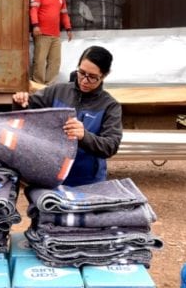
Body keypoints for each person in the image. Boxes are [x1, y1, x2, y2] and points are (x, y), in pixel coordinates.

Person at [12, 45, 122, 187]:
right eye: (81, 73)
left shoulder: (110, 106)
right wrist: (20, 102)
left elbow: (110, 146)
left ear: (104, 76)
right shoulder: (57, 91)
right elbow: (26, 115)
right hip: (52, 177)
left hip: (88, 182)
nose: (84, 81)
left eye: (93, 77)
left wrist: (84, 136)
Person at [29, 0, 73, 85]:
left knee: (55, 61)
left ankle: (50, 86)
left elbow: (64, 14)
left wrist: (68, 28)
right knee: (39, 61)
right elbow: (33, 10)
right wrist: (35, 25)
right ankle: (38, 86)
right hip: (41, 33)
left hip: (56, 35)